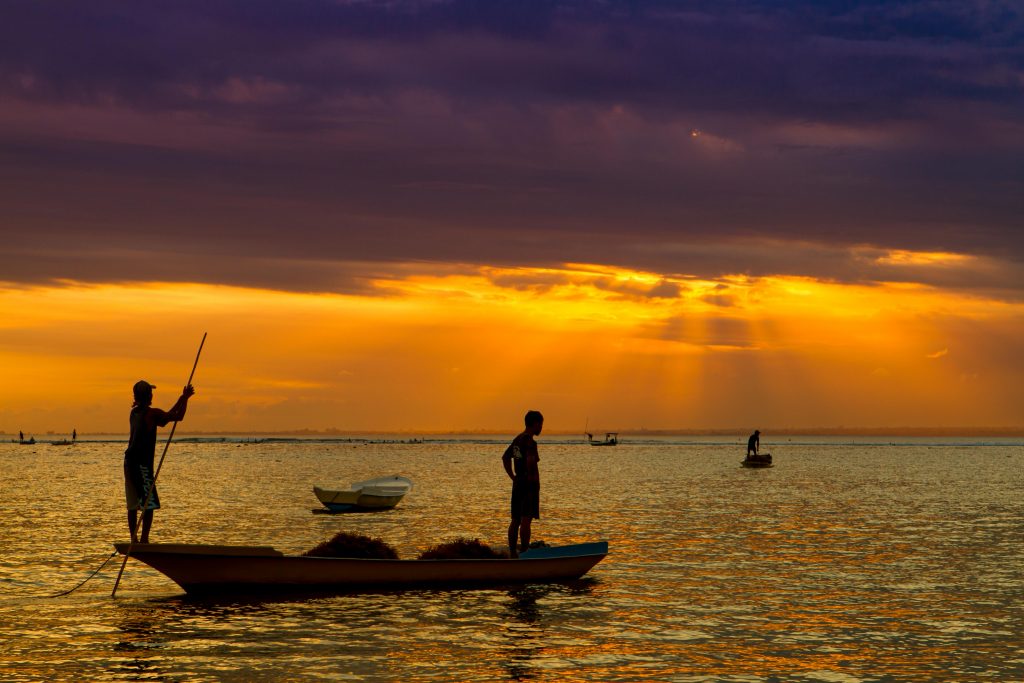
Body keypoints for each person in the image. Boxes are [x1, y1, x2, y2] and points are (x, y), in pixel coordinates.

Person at [124, 380, 195, 543]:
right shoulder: (151, 414)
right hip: (141, 464)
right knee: (148, 503)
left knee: (133, 503)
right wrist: (184, 398)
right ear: (148, 396)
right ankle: (143, 540)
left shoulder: (133, 413)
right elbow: (177, 417)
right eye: (151, 393)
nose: (152, 395)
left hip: (129, 462)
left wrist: (182, 398)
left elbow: (167, 418)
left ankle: (134, 539)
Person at [502, 410, 543, 559]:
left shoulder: (517, 440)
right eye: (541, 424)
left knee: (515, 519)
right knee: (526, 519)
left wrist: (513, 476)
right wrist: (531, 480)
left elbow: (506, 458)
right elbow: (530, 462)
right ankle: (525, 554)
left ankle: (513, 553)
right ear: (535, 423)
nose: (541, 428)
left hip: (518, 483)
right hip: (528, 485)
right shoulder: (529, 442)